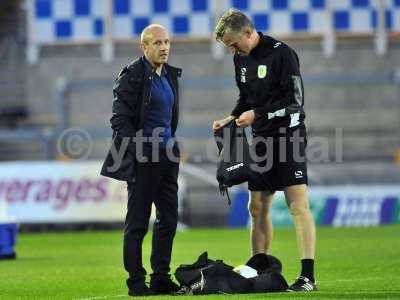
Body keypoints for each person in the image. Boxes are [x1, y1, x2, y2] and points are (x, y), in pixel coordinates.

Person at [212, 9, 317, 292]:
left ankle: (308, 277)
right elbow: (245, 97)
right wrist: (231, 118)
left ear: (248, 32)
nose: (233, 51)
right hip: (260, 140)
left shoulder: (283, 54)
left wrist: (257, 114)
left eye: (234, 44)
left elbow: (295, 101)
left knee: (297, 205)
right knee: (256, 206)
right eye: (229, 47)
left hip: (288, 136)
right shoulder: (240, 58)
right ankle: (258, 266)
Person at [101, 24, 182, 296]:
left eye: (167, 42)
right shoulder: (132, 76)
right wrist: (139, 149)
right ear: (144, 47)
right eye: (157, 43)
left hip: (168, 156)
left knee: (168, 220)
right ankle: (136, 282)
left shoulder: (169, 75)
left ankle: (161, 277)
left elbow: (169, 118)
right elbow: (118, 120)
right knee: (138, 222)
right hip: (144, 158)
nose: (164, 47)